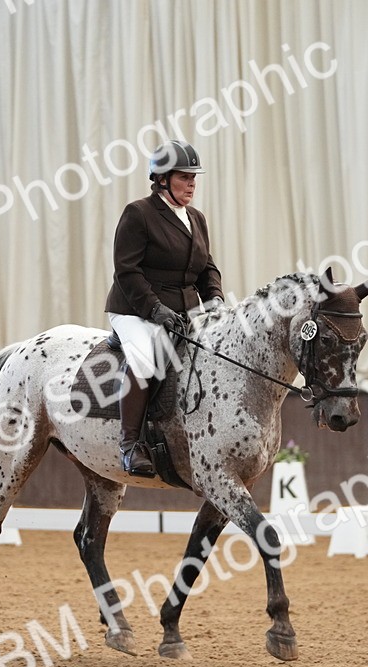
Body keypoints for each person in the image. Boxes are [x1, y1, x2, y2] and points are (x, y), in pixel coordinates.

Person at [105, 140, 225, 476]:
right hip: (134, 308)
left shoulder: (196, 219)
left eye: (193, 178)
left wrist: (214, 296)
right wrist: (155, 309)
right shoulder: (139, 213)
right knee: (144, 355)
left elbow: (206, 267)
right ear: (161, 179)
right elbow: (126, 270)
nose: (192, 183)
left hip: (182, 311)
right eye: (184, 177)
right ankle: (129, 445)